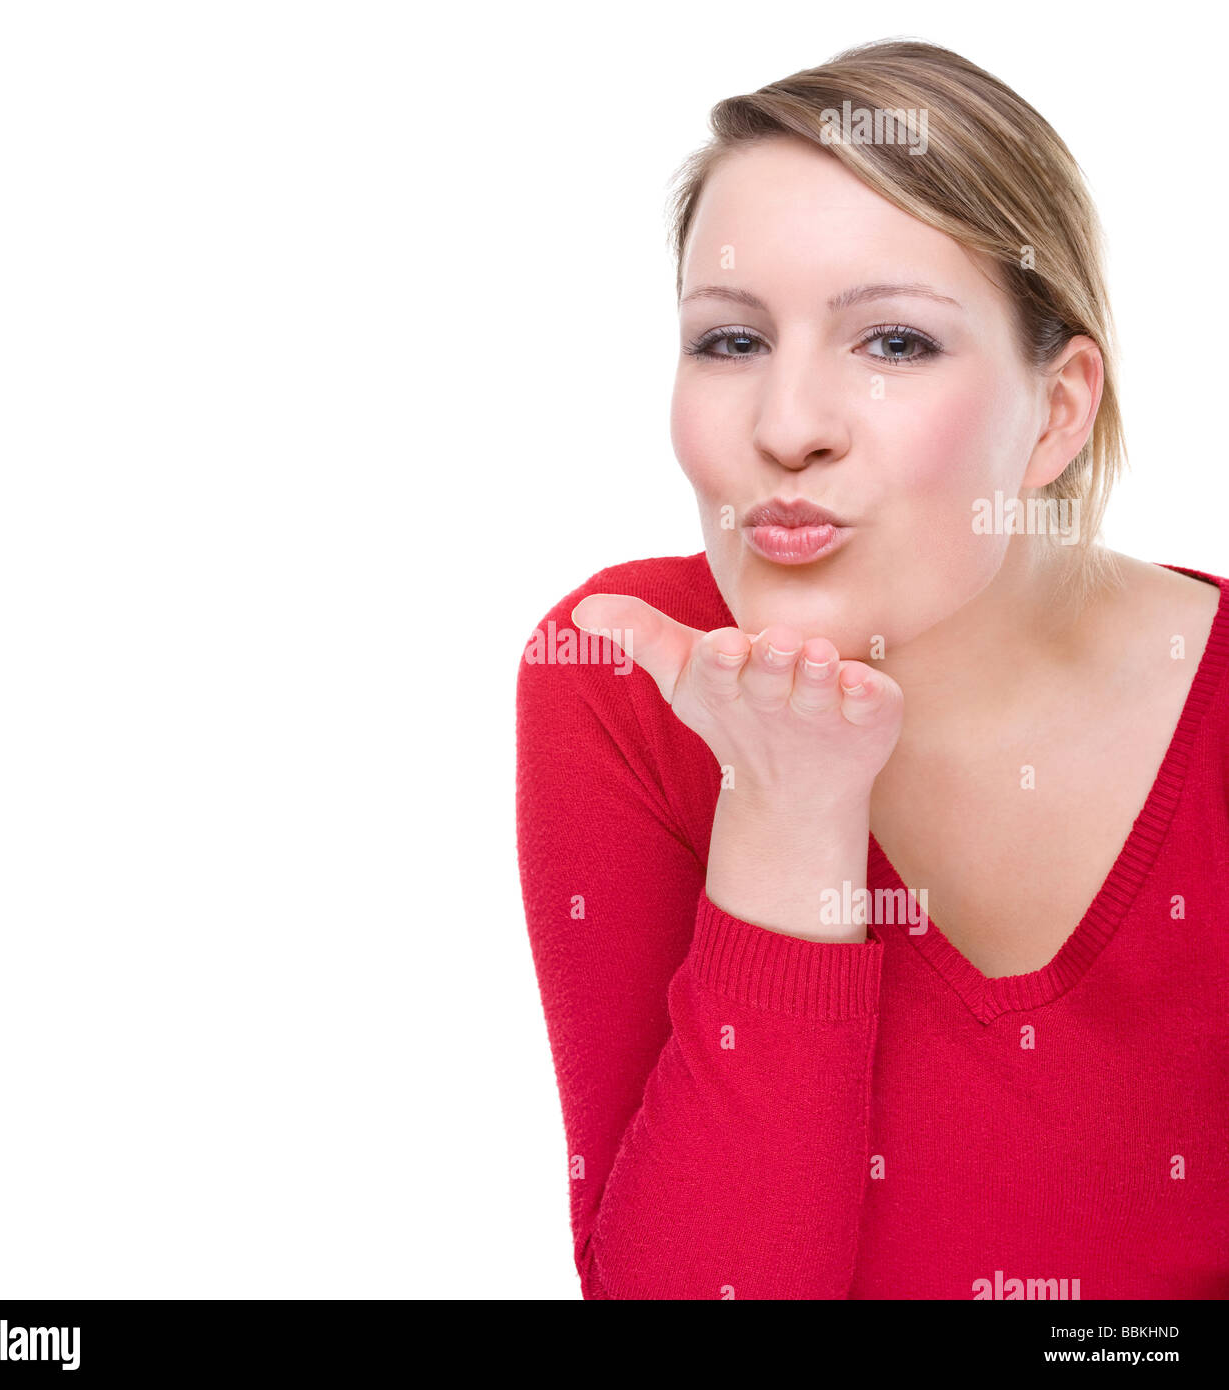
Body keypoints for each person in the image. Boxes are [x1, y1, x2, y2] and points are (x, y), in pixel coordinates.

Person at [515, 38, 1229, 1300]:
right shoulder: (622, 672)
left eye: (892, 344)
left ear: (1056, 411)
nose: (787, 426)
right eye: (729, 342)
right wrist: (788, 817)